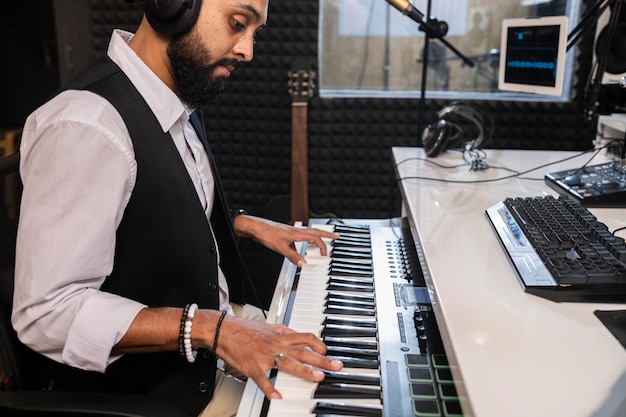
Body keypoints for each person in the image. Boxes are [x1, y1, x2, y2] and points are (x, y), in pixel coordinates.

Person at [12, 0, 343, 416]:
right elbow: (46, 313)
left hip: (208, 349)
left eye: (254, 33)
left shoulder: (170, 99)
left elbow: (150, 203)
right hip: (164, 392)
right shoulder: (87, 125)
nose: (248, 51)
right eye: (238, 24)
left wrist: (240, 223)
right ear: (172, 6)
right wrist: (210, 329)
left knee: (326, 354)